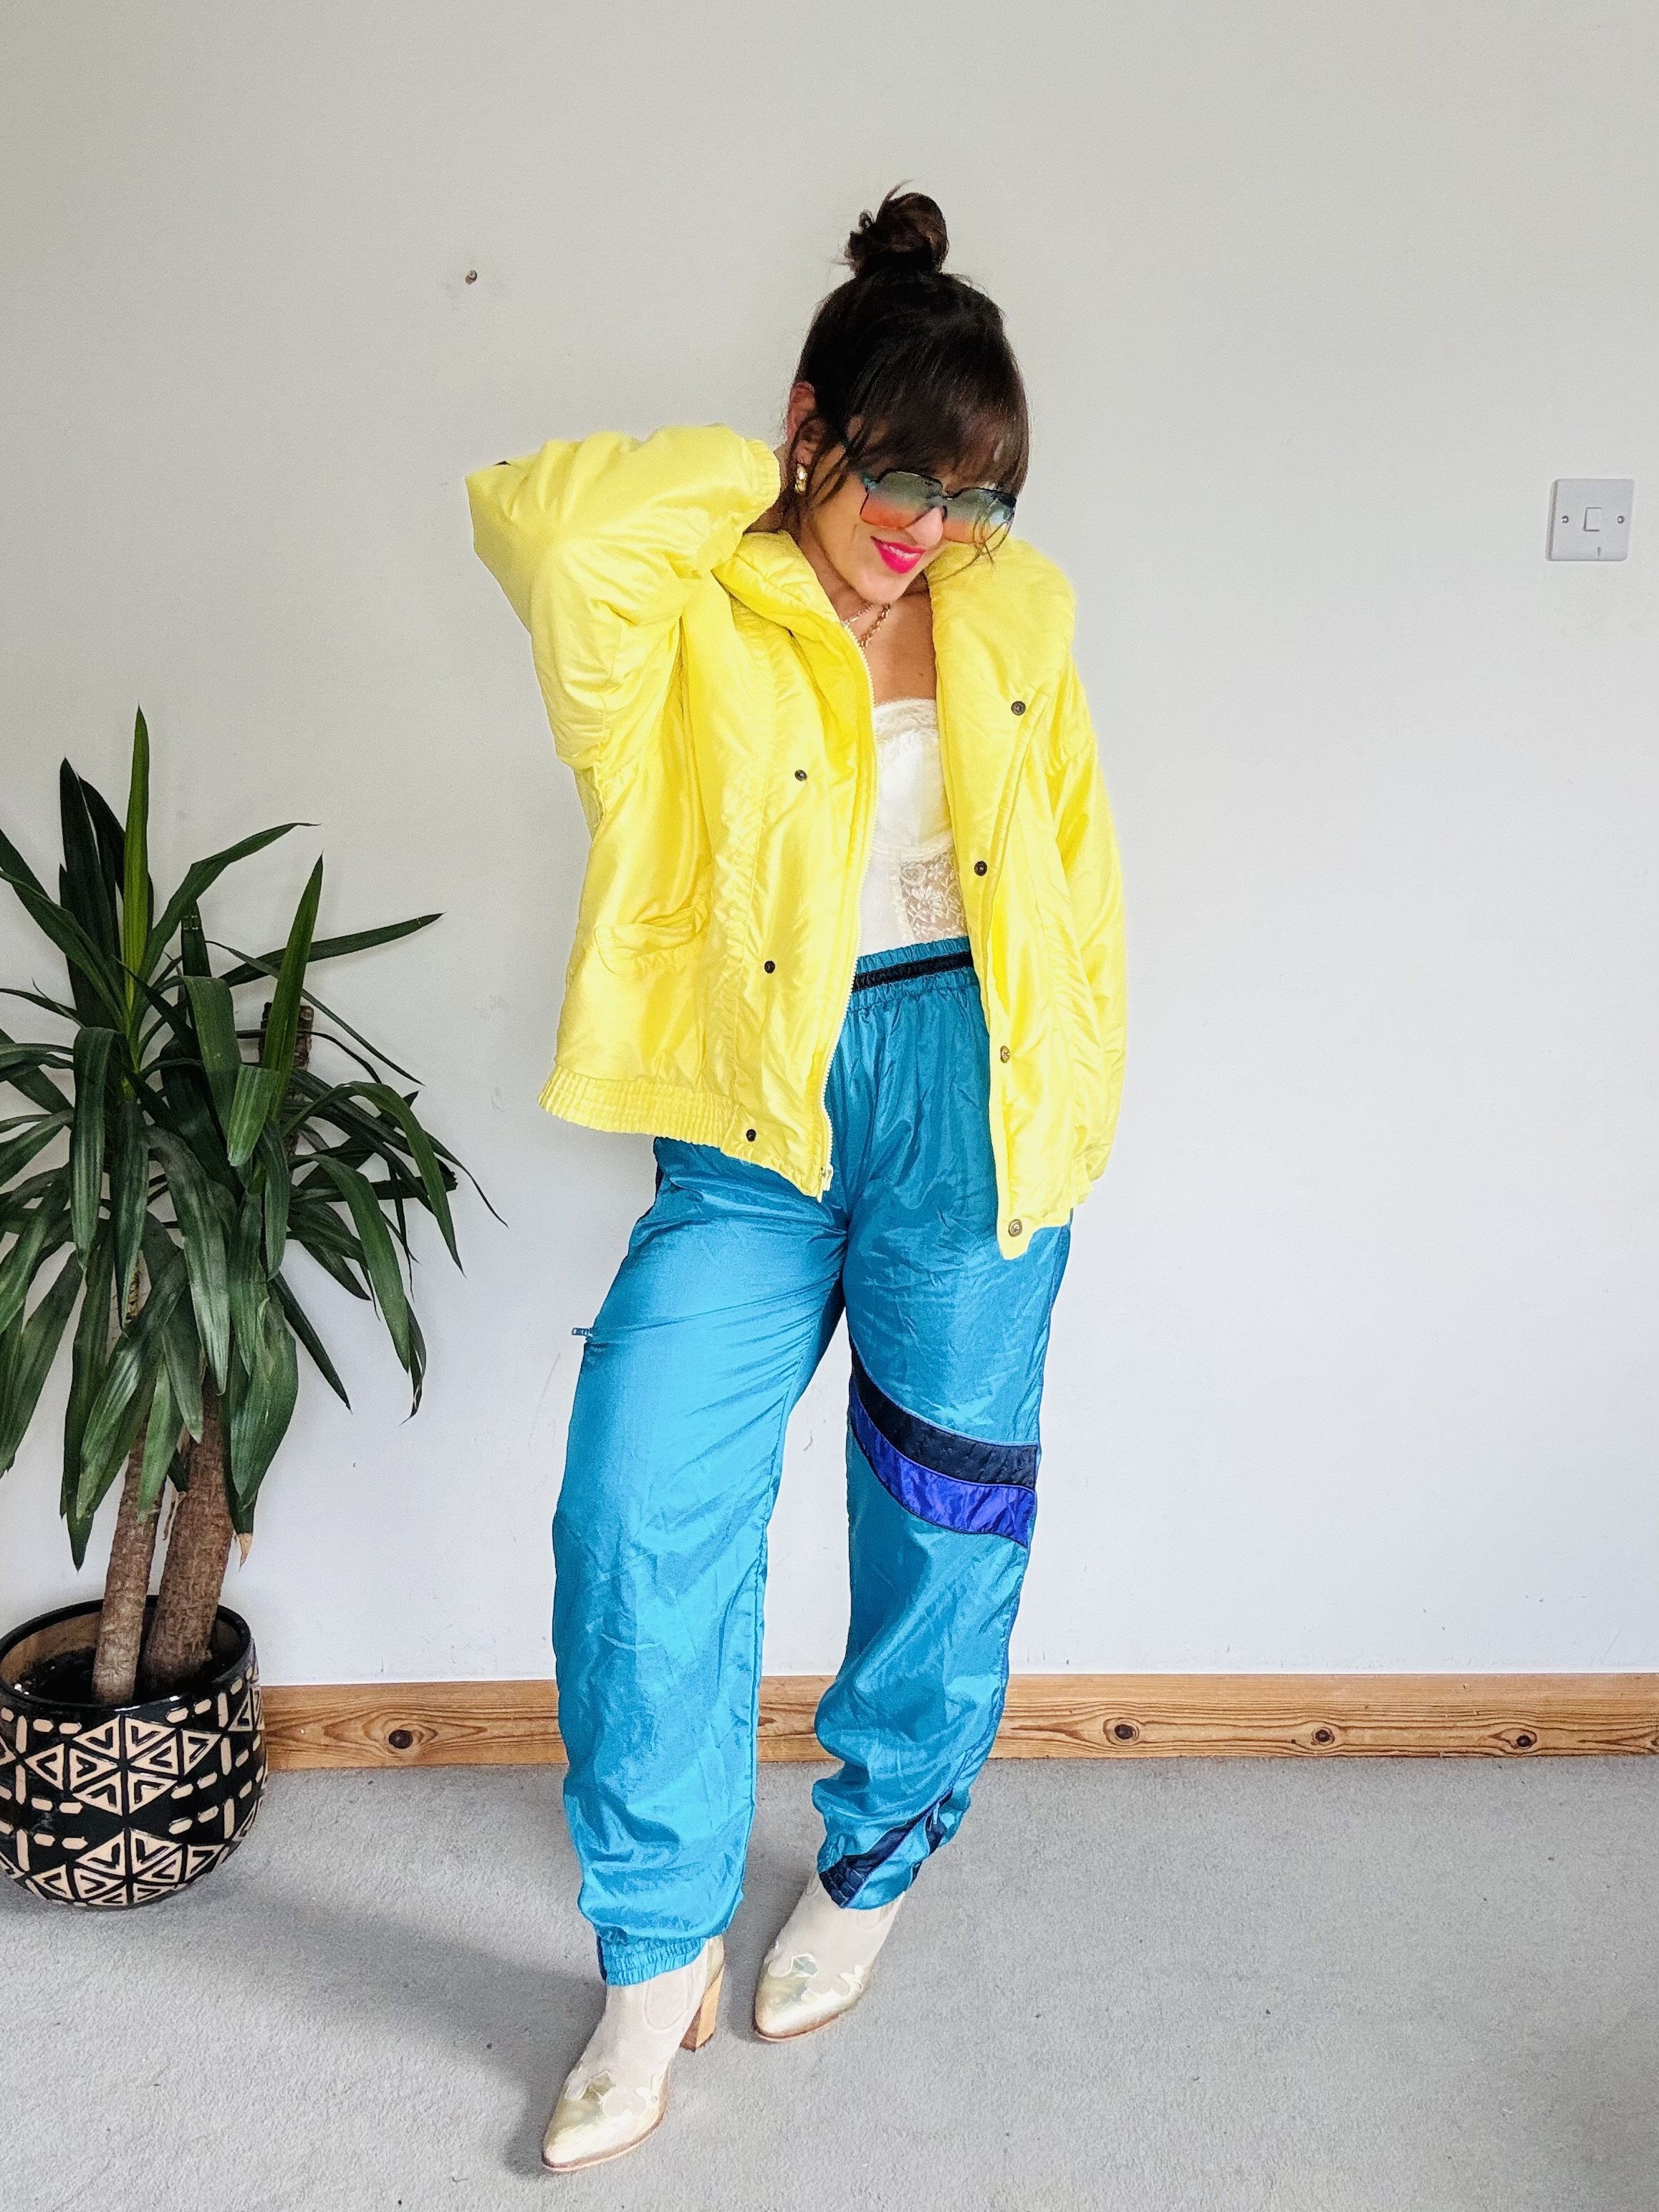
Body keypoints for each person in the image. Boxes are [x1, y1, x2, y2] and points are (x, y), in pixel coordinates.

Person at [467, 186, 1126, 2174]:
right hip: (753, 1120)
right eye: (902, 474)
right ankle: (653, 1948)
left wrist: (1070, 1099)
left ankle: (874, 1856)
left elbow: (1072, 864)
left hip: (971, 1092)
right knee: (637, 1510)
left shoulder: (1016, 608)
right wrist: (768, 481)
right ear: (812, 428)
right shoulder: (679, 608)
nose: (935, 526)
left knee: (943, 1511)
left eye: (977, 491)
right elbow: (543, 521)